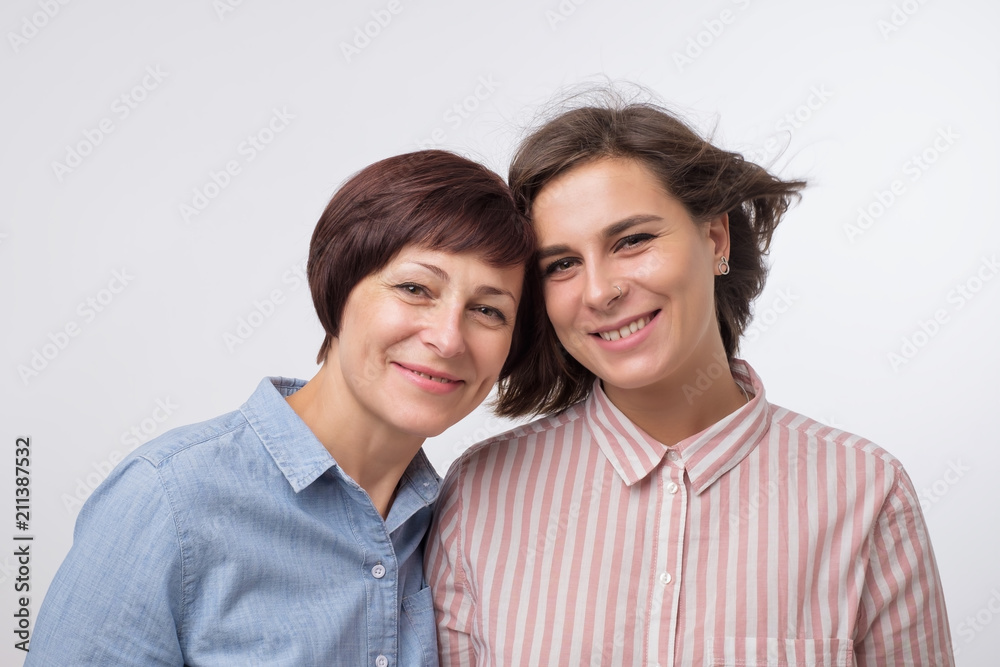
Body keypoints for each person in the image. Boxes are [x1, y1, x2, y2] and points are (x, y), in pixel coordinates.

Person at [426, 99, 955, 666]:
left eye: (631, 241)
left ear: (715, 239)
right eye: (561, 265)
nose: (600, 291)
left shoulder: (866, 491)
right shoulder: (477, 497)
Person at [27, 150, 535, 666]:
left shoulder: (461, 523)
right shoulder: (169, 500)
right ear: (338, 289)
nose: (449, 339)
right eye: (414, 288)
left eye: (488, 311)